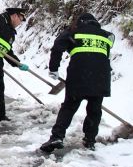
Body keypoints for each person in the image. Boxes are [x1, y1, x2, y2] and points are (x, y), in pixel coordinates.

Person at [40, 13, 115, 152]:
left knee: (69, 107)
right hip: (101, 77)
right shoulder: (106, 35)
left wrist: (53, 69)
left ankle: (57, 136)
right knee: (94, 110)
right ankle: (90, 140)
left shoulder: (73, 32)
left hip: (79, 75)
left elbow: (57, 47)